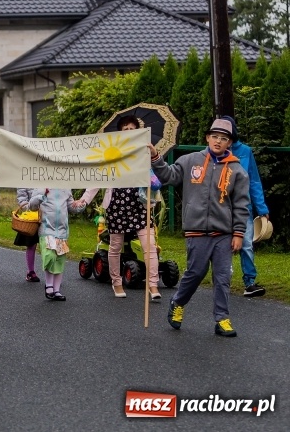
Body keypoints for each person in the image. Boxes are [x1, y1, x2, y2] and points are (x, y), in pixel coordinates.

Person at [150, 118, 250, 337]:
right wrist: (155, 158)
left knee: (222, 277)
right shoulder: (190, 161)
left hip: (224, 233)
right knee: (195, 273)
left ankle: (222, 319)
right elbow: (168, 176)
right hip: (196, 231)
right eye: (215, 137)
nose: (218, 141)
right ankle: (178, 302)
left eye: (224, 138)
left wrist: (239, 233)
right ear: (207, 138)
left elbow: (242, 204)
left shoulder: (237, 170)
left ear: (229, 143)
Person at [77, 115, 161, 299]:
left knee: (150, 246)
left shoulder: (144, 151)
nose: (129, 132)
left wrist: (153, 155)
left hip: (139, 206)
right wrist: (84, 200)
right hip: (117, 205)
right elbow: (98, 178)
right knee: (115, 246)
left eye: (132, 129)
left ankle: (153, 285)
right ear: (120, 133)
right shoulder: (111, 153)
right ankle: (116, 282)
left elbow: (157, 174)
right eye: (125, 129)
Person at [220, 115, 269, 298]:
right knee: (223, 244)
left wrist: (262, 209)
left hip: (243, 206)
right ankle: (223, 279)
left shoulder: (245, 151)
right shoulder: (213, 152)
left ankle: (250, 282)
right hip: (221, 207)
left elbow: (254, 181)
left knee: (246, 244)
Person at [27, 189, 86, 300]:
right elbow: (32, 206)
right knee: (49, 255)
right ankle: (49, 285)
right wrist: (41, 195)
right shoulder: (41, 186)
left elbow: (71, 206)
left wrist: (80, 205)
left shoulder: (66, 188)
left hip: (62, 232)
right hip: (47, 229)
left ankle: (56, 290)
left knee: (59, 259)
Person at [13, 188, 40, 283]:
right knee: (31, 244)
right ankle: (31, 271)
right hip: (31, 218)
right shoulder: (24, 181)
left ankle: (52, 275)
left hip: (47, 216)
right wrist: (32, 208)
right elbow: (22, 200)